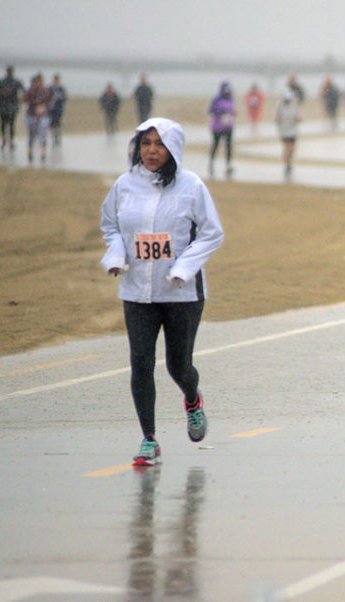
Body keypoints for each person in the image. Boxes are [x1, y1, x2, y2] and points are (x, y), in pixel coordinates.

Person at [99, 117, 225, 467]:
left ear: (173, 149)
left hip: (181, 293)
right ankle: (149, 439)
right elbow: (110, 225)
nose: (152, 151)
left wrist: (184, 268)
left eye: (159, 144)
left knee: (177, 364)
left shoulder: (191, 187)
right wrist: (116, 255)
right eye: (145, 144)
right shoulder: (124, 186)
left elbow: (212, 233)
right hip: (137, 290)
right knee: (140, 363)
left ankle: (192, 399)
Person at [0, 65, 24, 151]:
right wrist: (3, 92)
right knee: (3, 124)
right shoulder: (1, 82)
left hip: (12, 106)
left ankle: (11, 141)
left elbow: (23, 92)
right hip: (3, 106)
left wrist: (20, 99)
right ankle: (4, 140)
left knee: (11, 125)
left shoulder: (16, 82)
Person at [21, 73, 52, 164]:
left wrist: (44, 107)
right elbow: (23, 99)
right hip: (32, 116)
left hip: (43, 116)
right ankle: (30, 152)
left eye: (40, 81)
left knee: (43, 135)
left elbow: (51, 102)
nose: (39, 83)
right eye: (37, 82)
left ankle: (43, 154)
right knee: (32, 135)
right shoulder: (30, 91)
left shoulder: (46, 91)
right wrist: (34, 104)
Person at [208, 81, 236, 176]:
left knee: (228, 146)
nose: (227, 92)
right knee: (215, 145)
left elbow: (232, 110)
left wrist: (232, 113)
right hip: (217, 127)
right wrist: (221, 112)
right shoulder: (216, 99)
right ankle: (211, 163)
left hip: (228, 126)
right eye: (225, 90)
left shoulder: (230, 99)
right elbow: (211, 110)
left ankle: (228, 165)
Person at [275, 92, 301, 180]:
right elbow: (276, 118)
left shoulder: (294, 106)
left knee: (292, 148)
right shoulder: (279, 106)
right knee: (286, 147)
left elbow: (299, 116)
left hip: (293, 130)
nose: (287, 101)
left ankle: (289, 162)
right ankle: (286, 164)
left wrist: (299, 119)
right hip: (284, 130)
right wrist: (278, 119)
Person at [47, 73, 67, 148]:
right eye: (55, 80)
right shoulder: (50, 89)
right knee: (52, 124)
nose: (56, 82)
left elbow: (64, 98)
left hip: (59, 109)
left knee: (58, 123)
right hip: (51, 110)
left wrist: (60, 100)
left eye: (57, 80)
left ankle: (57, 138)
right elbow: (46, 98)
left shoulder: (61, 89)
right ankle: (53, 138)